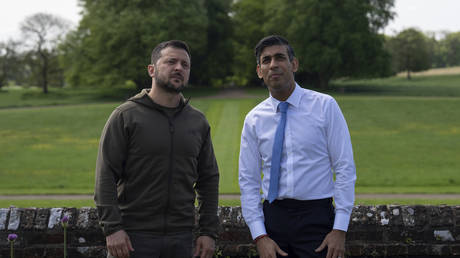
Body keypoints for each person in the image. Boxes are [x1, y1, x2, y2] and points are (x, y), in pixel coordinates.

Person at [94, 40, 219, 258]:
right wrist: (113, 228)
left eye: (185, 65)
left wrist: (208, 231)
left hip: (182, 239)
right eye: (171, 61)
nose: (179, 68)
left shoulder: (197, 122)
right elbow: (105, 175)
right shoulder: (126, 116)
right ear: (152, 70)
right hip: (132, 239)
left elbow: (208, 179)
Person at [238, 35, 356, 258]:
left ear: (294, 64)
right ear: (259, 71)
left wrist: (340, 228)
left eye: (280, 57)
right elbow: (248, 180)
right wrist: (260, 236)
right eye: (266, 60)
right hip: (273, 221)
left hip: (316, 219)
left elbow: (344, 167)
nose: (273, 64)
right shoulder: (254, 119)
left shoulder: (325, 107)